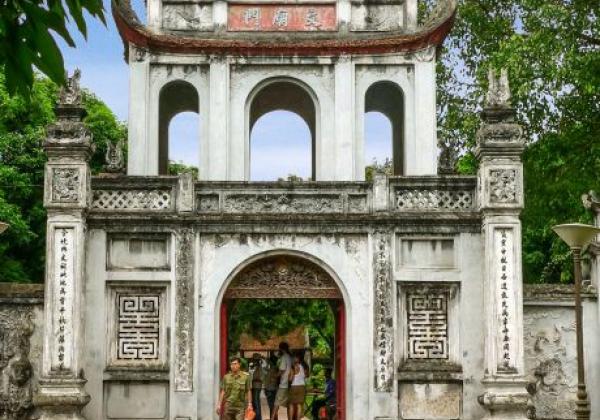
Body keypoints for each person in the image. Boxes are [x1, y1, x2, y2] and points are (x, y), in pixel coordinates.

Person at [271, 342, 292, 420]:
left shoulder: (284, 357)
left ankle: (272, 418)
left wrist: (275, 376)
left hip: (283, 383)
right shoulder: (289, 357)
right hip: (289, 384)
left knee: (276, 402)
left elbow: (282, 370)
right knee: (288, 403)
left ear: (281, 349)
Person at [288, 352, 309, 420]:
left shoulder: (293, 366)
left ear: (297, 358)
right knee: (299, 405)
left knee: (291, 404)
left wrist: (289, 377)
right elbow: (306, 376)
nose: (293, 359)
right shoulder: (304, 366)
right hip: (302, 386)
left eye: (294, 357)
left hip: (294, 386)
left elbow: (291, 378)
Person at [250, 353, 264, 420]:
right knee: (255, 402)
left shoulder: (259, 367)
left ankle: (258, 418)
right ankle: (256, 417)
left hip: (257, 386)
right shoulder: (256, 367)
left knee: (256, 403)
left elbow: (260, 378)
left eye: (254, 359)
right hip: (255, 386)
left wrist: (252, 379)